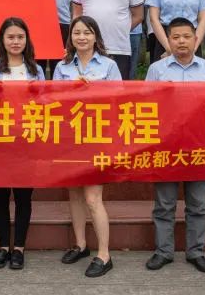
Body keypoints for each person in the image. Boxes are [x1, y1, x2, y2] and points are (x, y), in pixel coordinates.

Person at [144, 17, 205, 274]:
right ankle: (163, 251)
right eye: (175, 37)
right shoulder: (157, 70)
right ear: (168, 40)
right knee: (164, 204)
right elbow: (146, 106)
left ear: (196, 39)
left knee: (197, 204)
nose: (181, 42)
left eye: (187, 36)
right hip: (167, 145)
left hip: (199, 145)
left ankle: (196, 252)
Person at [53, 16, 120, 278]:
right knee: (75, 195)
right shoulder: (62, 67)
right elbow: (53, 100)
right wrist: (71, 90)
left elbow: (120, 100)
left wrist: (92, 91)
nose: (81, 37)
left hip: (97, 137)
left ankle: (104, 254)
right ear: (70, 38)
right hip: (70, 137)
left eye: (87, 32)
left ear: (96, 37)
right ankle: (80, 245)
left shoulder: (109, 65)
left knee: (93, 198)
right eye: (77, 33)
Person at [0, 17, 45, 270]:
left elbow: (43, 104)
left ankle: (19, 248)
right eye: (10, 37)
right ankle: (3, 247)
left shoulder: (35, 69)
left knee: (23, 196)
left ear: (26, 40)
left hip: (26, 138)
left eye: (20, 37)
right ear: (2, 40)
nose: (15, 42)